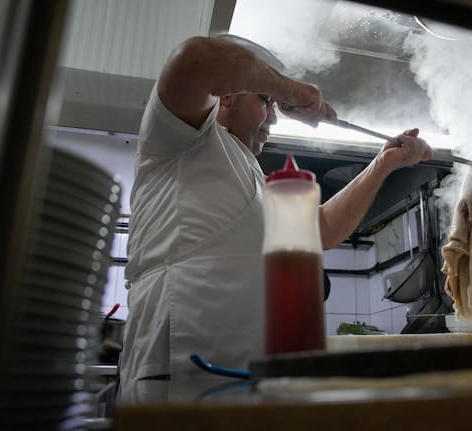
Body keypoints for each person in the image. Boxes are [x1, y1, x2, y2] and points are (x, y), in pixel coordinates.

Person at [119, 34, 433, 402]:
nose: (273, 116)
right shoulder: (181, 139)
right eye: (265, 101)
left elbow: (320, 229)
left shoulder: (254, 179)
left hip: (241, 372)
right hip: (182, 368)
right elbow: (197, 59)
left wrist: (383, 164)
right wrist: (291, 92)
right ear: (227, 96)